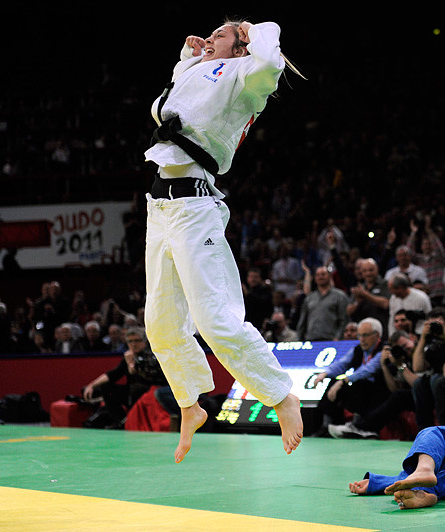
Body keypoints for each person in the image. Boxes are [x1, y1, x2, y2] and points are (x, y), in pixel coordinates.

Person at [142, 18, 302, 461]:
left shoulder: (244, 78)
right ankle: (189, 404)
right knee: (160, 324)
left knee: (215, 320)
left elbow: (270, 59)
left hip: (196, 209)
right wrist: (190, 54)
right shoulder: (202, 69)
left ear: (241, 46)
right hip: (160, 208)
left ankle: (281, 396)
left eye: (220, 35)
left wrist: (254, 29)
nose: (210, 38)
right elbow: (178, 97)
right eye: (210, 34)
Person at [328, 329, 419, 439]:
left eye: (405, 345)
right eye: (399, 348)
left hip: (425, 395)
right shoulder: (401, 360)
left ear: (412, 339)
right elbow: (393, 389)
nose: (404, 349)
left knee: (399, 395)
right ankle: (359, 427)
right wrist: (384, 365)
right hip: (410, 394)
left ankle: (363, 428)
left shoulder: (420, 354)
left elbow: (418, 386)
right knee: (373, 388)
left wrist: (401, 366)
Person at [81, 327, 172, 429]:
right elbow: (113, 374)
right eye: (130, 341)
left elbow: (152, 377)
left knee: (137, 388)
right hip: (132, 392)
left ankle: (130, 422)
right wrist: (91, 385)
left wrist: (131, 365)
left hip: (150, 391)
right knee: (106, 387)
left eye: (137, 340)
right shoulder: (129, 356)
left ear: (145, 341)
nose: (133, 344)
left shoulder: (152, 355)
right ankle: (120, 421)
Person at [312, 318, 388, 433]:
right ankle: (325, 425)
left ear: (376, 335)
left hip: (378, 390)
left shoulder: (384, 349)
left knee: (361, 383)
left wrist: (343, 381)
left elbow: (368, 370)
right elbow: (342, 364)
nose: (361, 339)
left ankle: (357, 425)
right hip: (359, 386)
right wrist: (325, 374)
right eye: (359, 336)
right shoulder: (358, 349)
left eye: (365, 335)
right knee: (333, 382)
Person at [411, 307, 445, 430]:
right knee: (419, 383)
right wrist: (423, 338)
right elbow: (417, 367)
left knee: (437, 380)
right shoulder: (434, 346)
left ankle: (443, 428)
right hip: (439, 387)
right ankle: (424, 429)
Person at [296, 266, 350, 341]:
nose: (320, 277)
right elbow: (302, 321)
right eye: (318, 275)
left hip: (331, 340)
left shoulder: (340, 296)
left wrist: (338, 337)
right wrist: (299, 340)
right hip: (311, 340)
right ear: (315, 278)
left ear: (330, 276)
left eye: (323, 274)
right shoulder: (309, 298)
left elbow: (344, 320)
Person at [346, 258, 390, 332]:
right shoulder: (359, 288)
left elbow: (386, 304)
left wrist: (365, 295)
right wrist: (358, 302)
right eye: (365, 271)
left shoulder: (385, 284)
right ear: (361, 273)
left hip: (382, 329)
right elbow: (348, 312)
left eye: (371, 270)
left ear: (377, 269)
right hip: (363, 331)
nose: (368, 273)